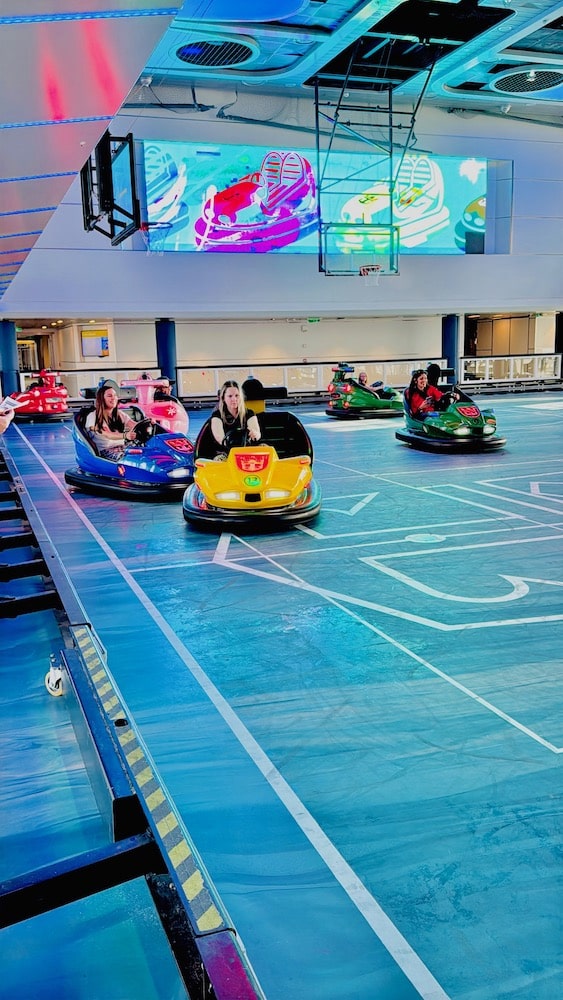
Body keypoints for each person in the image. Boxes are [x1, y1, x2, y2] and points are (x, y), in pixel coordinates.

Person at [85, 382, 140, 459]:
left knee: (143, 452)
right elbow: (108, 434)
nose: (113, 398)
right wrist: (125, 435)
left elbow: (135, 425)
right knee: (129, 459)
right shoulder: (93, 416)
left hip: (122, 447)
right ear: (102, 399)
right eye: (109, 396)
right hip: (105, 451)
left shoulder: (120, 414)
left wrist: (148, 424)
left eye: (115, 395)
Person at [211, 380, 261, 459]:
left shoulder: (249, 413)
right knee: (219, 459)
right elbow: (220, 438)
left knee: (264, 448)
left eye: (237, 395)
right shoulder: (217, 416)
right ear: (223, 398)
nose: (234, 399)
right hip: (225, 453)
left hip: (248, 451)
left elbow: (257, 434)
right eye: (230, 396)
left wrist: (254, 434)